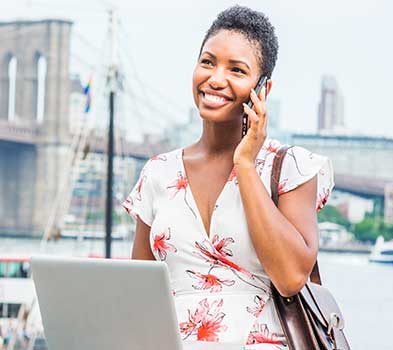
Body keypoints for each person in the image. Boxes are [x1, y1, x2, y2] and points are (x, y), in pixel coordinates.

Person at [123, 5, 334, 348]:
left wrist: (246, 165)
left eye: (236, 69)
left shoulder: (291, 167)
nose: (216, 79)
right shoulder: (158, 173)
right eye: (207, 62)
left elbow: (291, 277)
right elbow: (138, 293)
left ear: (262, 88)